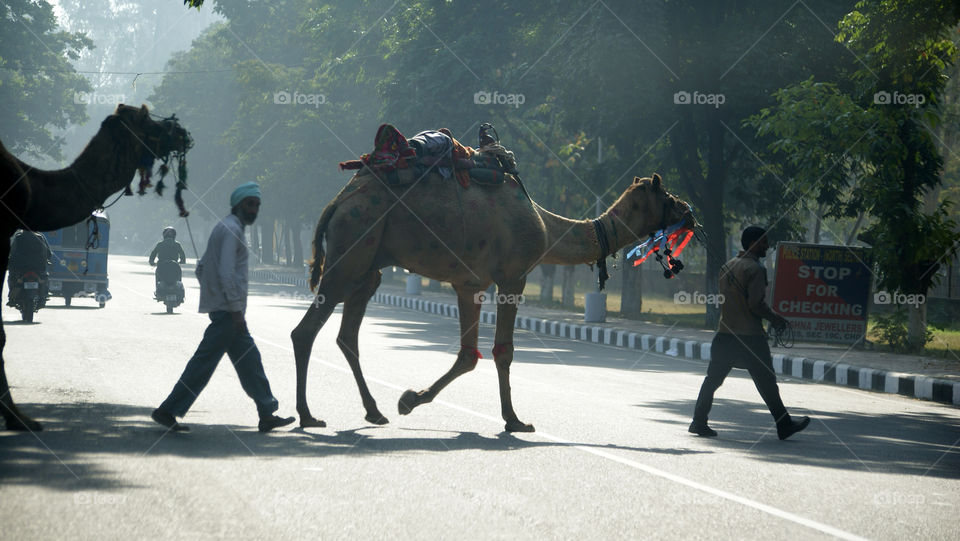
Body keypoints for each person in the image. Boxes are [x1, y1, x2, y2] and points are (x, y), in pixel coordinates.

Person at [151, 182, 294, 433]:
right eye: (250, 204)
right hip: (229, 312)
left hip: (225, 309)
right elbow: (226, 272)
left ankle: (266, 411)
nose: (254, 210)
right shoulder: (233, 231)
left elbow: (202, 268)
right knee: (203, 364)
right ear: (238, 205)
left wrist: (213, 295)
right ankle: (167, 410)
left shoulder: (224, 227)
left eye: (257, 205)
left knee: (250, 361)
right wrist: (234, 308)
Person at [689, 226, 811, 440]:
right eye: (763, 242)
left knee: (712, 379)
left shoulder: (728, 265)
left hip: (725, 333)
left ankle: (698, 421)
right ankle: (784, 424)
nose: (766, 246)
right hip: (750, 337)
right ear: (753, 243)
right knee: (766, 381)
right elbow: (755, 304)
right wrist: (776, 318)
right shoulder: (755, 269)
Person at [7, 230, 51, 307]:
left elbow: (12, 252)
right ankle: (42, 298)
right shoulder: (40, 237)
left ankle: (12, 298)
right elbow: (48, 253)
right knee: (44, 278)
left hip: (20, 267)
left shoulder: (18, 237)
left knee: (12, 278)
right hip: (38, 267)